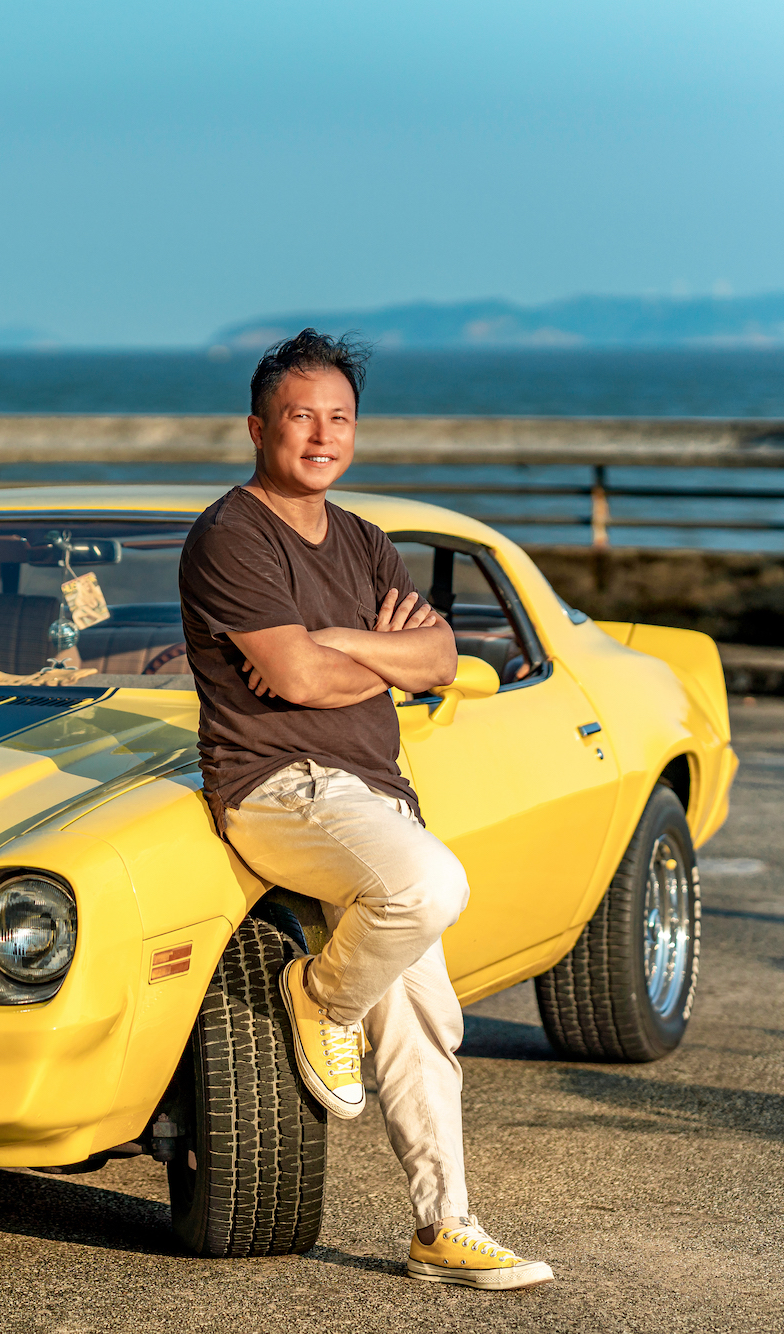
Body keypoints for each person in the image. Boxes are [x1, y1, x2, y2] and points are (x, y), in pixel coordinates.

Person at [177, 328, 554, 1290]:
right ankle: (318, 996)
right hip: (275, 785)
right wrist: (353, 658)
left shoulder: (363, 540)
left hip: (373, 793)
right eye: (301, 416)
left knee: (428, 1018)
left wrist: (341, 641)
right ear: (258, 426)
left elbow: (439, 663)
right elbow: (294, 679)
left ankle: (443, 1225)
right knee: (429, 884)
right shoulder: (230, 534)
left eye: (339, 417)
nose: (321, 434)